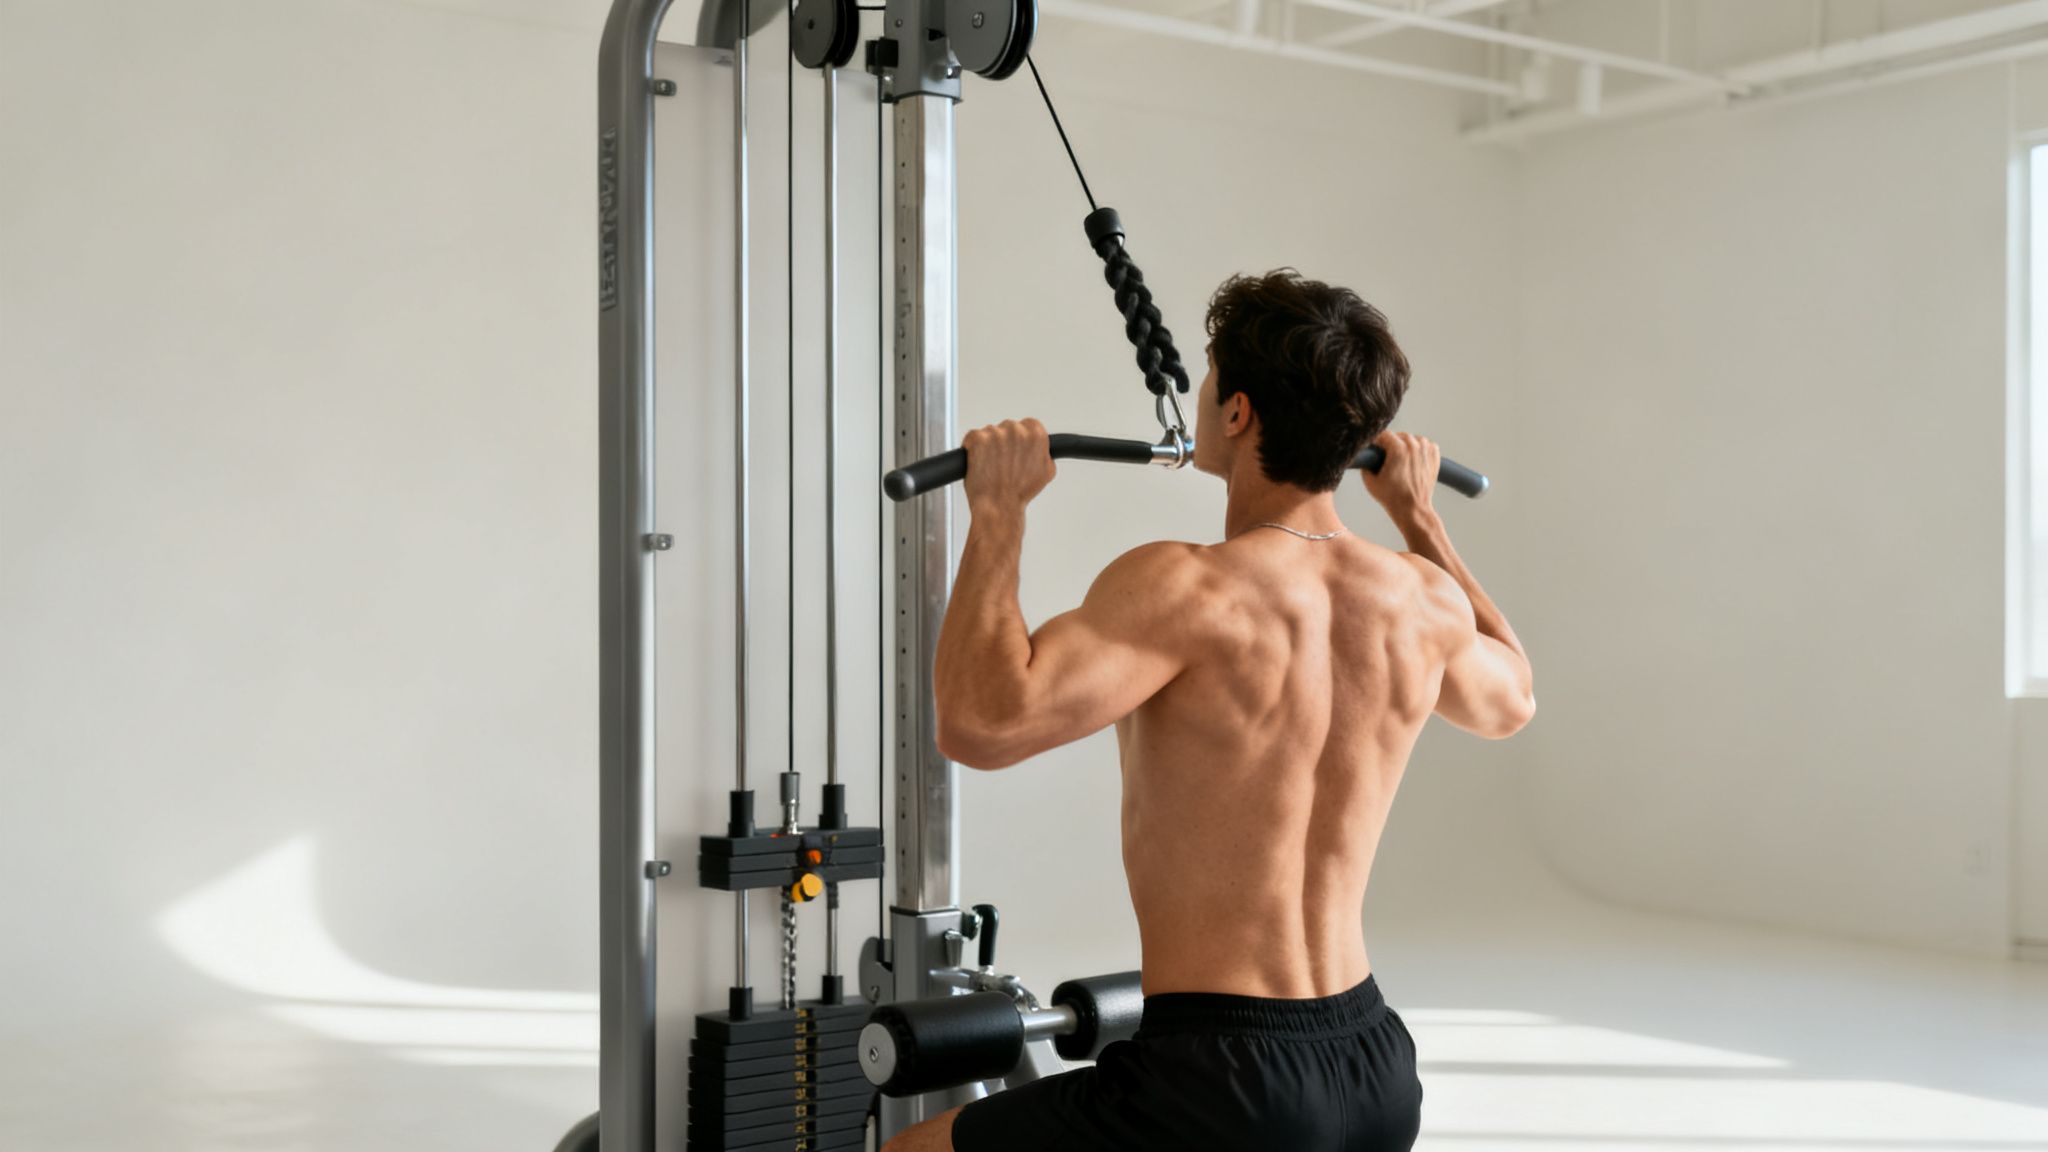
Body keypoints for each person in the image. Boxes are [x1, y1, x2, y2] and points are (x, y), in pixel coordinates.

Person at [882, 269, 1536, 1152]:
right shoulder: (1421, 600)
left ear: (1235, 413)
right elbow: (1512, 701)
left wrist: (997, 514)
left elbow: (982, 724)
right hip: (1375, 1064)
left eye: (1207, 378)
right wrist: (1422, 522)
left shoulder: (1186, 588)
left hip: (1221, 1077)